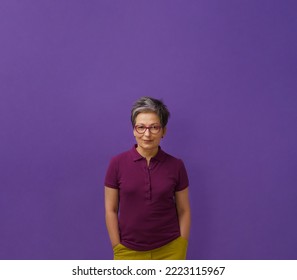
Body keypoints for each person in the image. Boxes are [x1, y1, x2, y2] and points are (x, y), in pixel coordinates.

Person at [104, 96, 191, 260]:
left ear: (163, 131)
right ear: (133, 130)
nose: (147, 134)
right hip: (128, 251)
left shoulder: (176, 165)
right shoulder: (117, 163)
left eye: (154, 127)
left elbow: (184, 210)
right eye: (141, 127)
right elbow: (111, 209)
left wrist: (181, 245)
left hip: (170, 250)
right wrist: (117, 246)